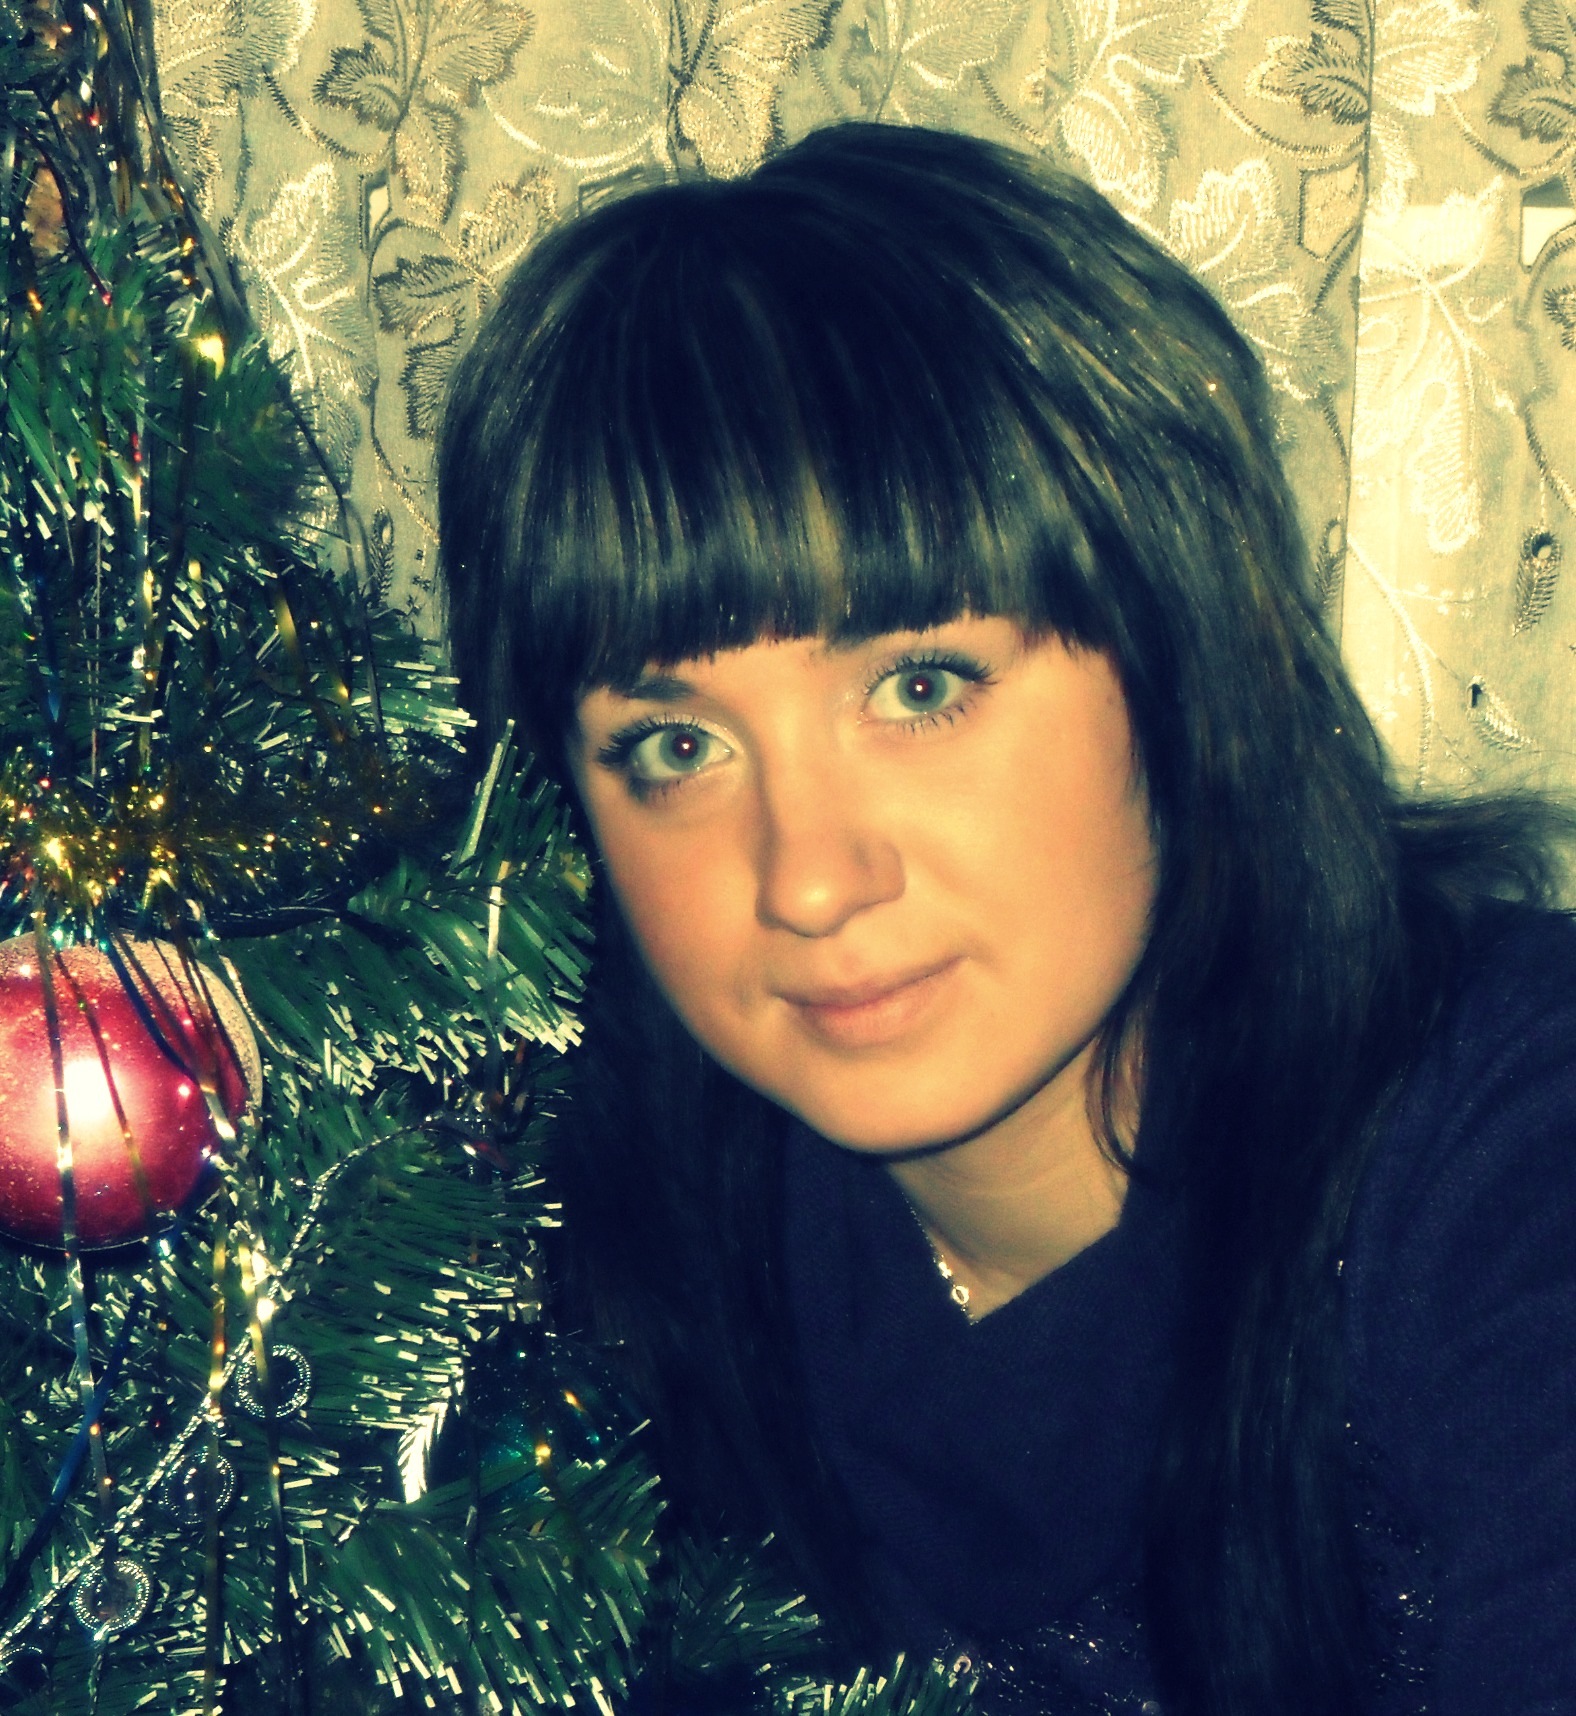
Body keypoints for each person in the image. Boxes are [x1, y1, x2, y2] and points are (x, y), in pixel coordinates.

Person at [435, 123, 1576, 1715]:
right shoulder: (515, 1271)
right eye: (675, 748)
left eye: (920, 686)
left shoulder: (1513, 1149)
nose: (808, 880)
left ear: (1181, 656)